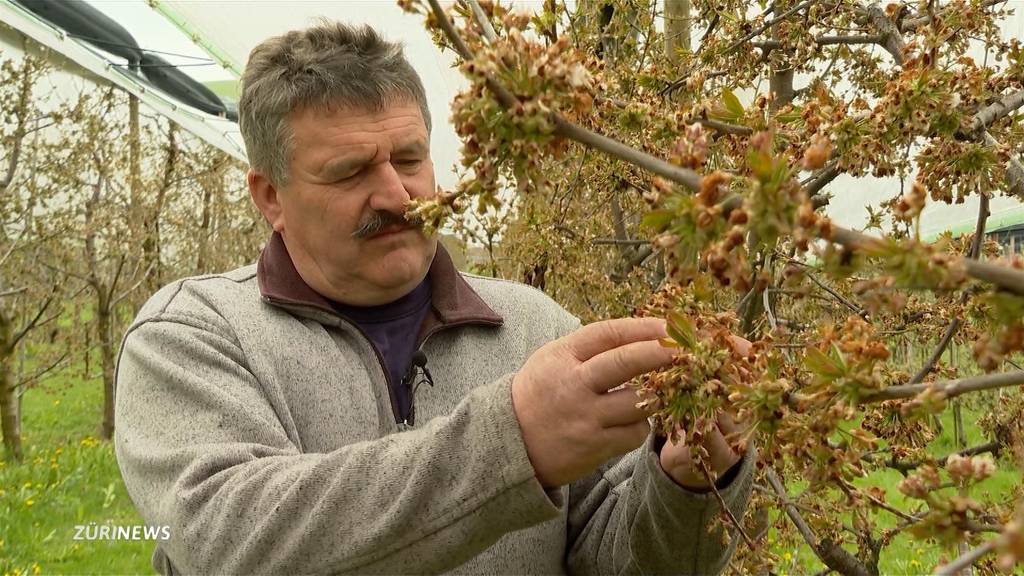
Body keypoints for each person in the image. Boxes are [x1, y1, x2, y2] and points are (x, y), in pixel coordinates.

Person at [114, 21, 754, 575]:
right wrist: (513, 442)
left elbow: (615, 560)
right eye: (350, 171)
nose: (397, 194)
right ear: (270, 197)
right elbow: (231, 545)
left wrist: (683, 485)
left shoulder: (536, 330)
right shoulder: (189, 338)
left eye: (410, 158)